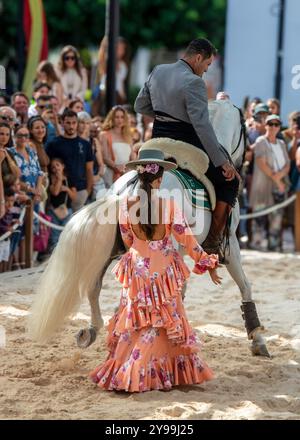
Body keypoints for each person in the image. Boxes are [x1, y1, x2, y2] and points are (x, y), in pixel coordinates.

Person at [89, 149, 220, 392]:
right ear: (159, 179)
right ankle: (141, 370)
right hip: (164, 271)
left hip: (137, 270)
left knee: (135, 323)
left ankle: (127, 367)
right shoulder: (170, 206)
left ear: (140, 176)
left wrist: (142, 251)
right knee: (162, 323)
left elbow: (128, 240)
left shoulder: (126, 206)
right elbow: (187, 240)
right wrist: (208, 263)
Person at [134, 38, 240, 261]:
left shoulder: (158, 70)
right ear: (198, 57)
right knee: (230, 181)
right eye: (207, 65)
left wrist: (165, 116)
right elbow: (202, 126)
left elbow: (139, 106)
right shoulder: (194, 82)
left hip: (155, 144)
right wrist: (223, 162)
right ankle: (213, 241)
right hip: (185, 147)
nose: (206, 70)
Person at [249, 115, 290, 251]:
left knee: (276, 220)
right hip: (262, 187)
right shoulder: (261, 141)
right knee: (259, 219)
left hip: (279, 187)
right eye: (270, 124)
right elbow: (261, 163)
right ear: (265, 125)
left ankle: (273, 246)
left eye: (276, 124)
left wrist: (280, 178)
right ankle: (257, 245)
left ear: (279, 127)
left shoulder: (282, 144)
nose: (273, 127)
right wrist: (278, 179)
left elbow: (287, 164)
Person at [46, 109, 93, 211]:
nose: (71, 126)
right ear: (62, 123)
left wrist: (88, 191)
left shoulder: (85, 144)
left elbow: (89, 169)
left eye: (74, 123)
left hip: (80, 191)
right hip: (60, 191)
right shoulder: (53, 144)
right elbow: (48, 168)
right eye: (68, 123)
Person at [100, 105, 133, 187]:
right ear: (112, 118)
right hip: (111, 174)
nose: (119, 120)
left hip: (127, 174)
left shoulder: (128, 136)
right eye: (116, 117)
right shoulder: (104, 134)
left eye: (122, 117)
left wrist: (128, 169)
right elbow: (105, 157)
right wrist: (116, 167)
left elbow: (133, 157)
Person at [47, 158, 76, 250]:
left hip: (67, 210)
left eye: (57, 165)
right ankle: (54, 254)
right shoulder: (51, 180)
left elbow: (74, 197)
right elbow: (55, 192)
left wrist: (67, 189)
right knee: (54, 235)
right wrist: (59, 179)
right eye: (53, 167)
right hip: (54, 211)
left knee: (66, 234)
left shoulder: (70, 180)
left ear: (63, 166)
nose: (56, 168)